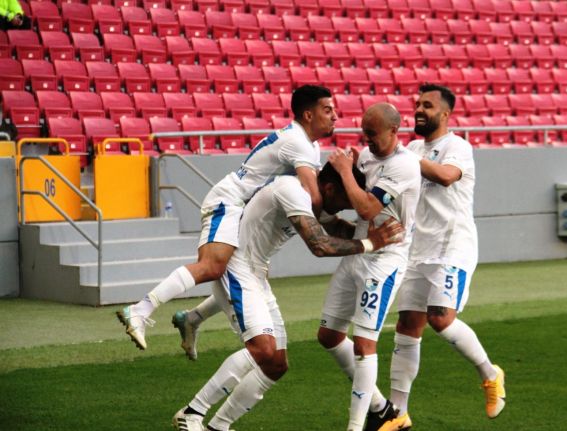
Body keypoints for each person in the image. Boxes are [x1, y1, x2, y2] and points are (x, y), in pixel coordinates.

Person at [172, 163, 405, 431]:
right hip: (237, 267)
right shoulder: (292, 190)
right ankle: (192, 412)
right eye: (343, 203)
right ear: (329, 189)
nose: (342, 210)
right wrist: (371, 243)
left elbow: (335, 228)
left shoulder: (315, 198)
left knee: (275, 364)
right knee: (262, 349)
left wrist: (378, 235)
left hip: (255, 273)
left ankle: (218, 426)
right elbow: (320, 245)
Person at [117, 85, 336, 351]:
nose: (335, 116)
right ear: (308, 114)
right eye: (328, 110)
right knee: (212, 266)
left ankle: (192, 318)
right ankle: (140, 310)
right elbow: (314, 198)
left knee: (249, 276)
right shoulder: (298, 142)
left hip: (245, 210)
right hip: (229, 202)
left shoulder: (309, 145)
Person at [376, 84, 506, 431]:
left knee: (440, 318)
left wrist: (401, 157)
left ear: (445, 114)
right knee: (407, 326)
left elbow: (447, 176)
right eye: (418, 104)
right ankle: (398, 413)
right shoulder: (413, 148)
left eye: (428, 106)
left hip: (452, 247)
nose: (419, 110)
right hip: (417, 249)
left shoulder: (457, 146)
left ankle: (490, 374)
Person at [317, 103, 421, 431]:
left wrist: (345, 171)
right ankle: (383, 409)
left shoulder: (404, 165)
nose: (367, 140)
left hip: (384, 261)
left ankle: (356, 426)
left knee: (364, 344)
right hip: (360, 250)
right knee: (329, 335)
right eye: (364, 133)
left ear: (394, 131)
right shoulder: (365, 156)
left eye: (372, 134)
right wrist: (348, 168)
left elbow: (367, 208)